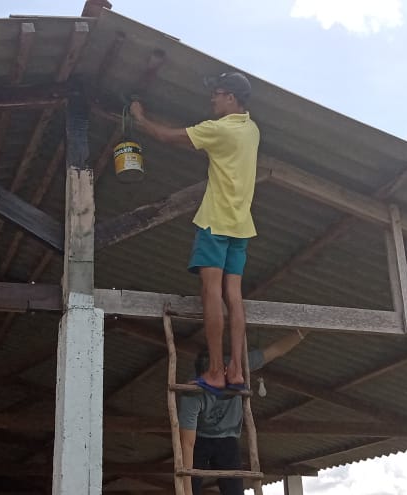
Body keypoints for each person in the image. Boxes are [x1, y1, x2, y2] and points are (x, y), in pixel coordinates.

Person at [129, 71, 260, 395]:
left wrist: (140, 118)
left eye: (216, 94)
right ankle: (237, 371)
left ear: (231, 97)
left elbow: (166, 136)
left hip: (216, 221)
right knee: (234, 296)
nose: (212, 99)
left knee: (210, 294)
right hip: (241, 225)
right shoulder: (251, 129)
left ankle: (215, 371)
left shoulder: (218, 130)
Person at [178, 329, 306, 495]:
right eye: (207, 382)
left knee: (234, 489)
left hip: (228, 437)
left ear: (225, 370)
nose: (212, 385)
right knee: (190, 484)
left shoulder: (237, 367)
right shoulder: (192, 392)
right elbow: (187, 444)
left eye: (215, 380)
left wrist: (303, 332)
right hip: (200, 437)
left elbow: (274, 351)